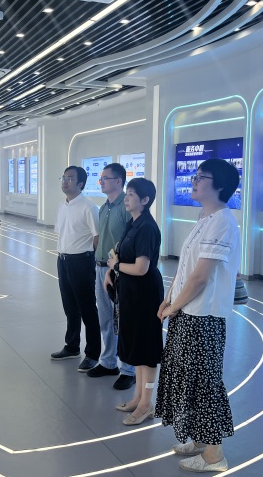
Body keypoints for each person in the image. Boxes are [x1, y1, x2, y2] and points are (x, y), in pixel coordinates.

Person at [155, 158, 241, 473]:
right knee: (187, 379)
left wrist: (173, 307)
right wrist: (169, 299)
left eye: (200, 177)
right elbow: (186, 270)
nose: (193, 181)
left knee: (204, 382)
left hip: (202, 316)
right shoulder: (205, 217)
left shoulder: (223, 221)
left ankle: (214, 456)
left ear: (219, 185)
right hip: (187, 311)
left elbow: (201, 277)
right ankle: (201, 438)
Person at [105, 177, 164, 425]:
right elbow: (119, 254)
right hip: (131, 293)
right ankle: (138, 397)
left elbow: (141, 268)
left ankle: (146, 404)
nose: (126, 198)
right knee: (137, 348)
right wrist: (111, 270)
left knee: (146, 350)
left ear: (145, 200)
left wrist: (116, 266)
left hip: (145, 295)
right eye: (127, 194)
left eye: (131, 194)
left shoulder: (147, 227)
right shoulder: (133, 223)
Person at [88, 163, 136, 390]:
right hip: (101, 268)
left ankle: (129, 370)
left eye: (105, 178)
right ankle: (108, 362)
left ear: (119, 181)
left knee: (124, 319)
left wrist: (119, 266)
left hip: (119, 270)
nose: (102, 182)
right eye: (101, 178)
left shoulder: (126, 207)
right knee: (106, 319)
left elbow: (131, 241)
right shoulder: (103, 207)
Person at [51, 166, 101, 373]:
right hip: (63, 260)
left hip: (81, 262)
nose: (65, 181)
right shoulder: (62, 206)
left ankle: (93, 353)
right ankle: (72, 346)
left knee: (87, 308)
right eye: (63, 177)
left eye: (70, 178)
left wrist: (88, 259)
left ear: (81, 183)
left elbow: (97, 237)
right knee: (70, 307)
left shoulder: (89, 208)